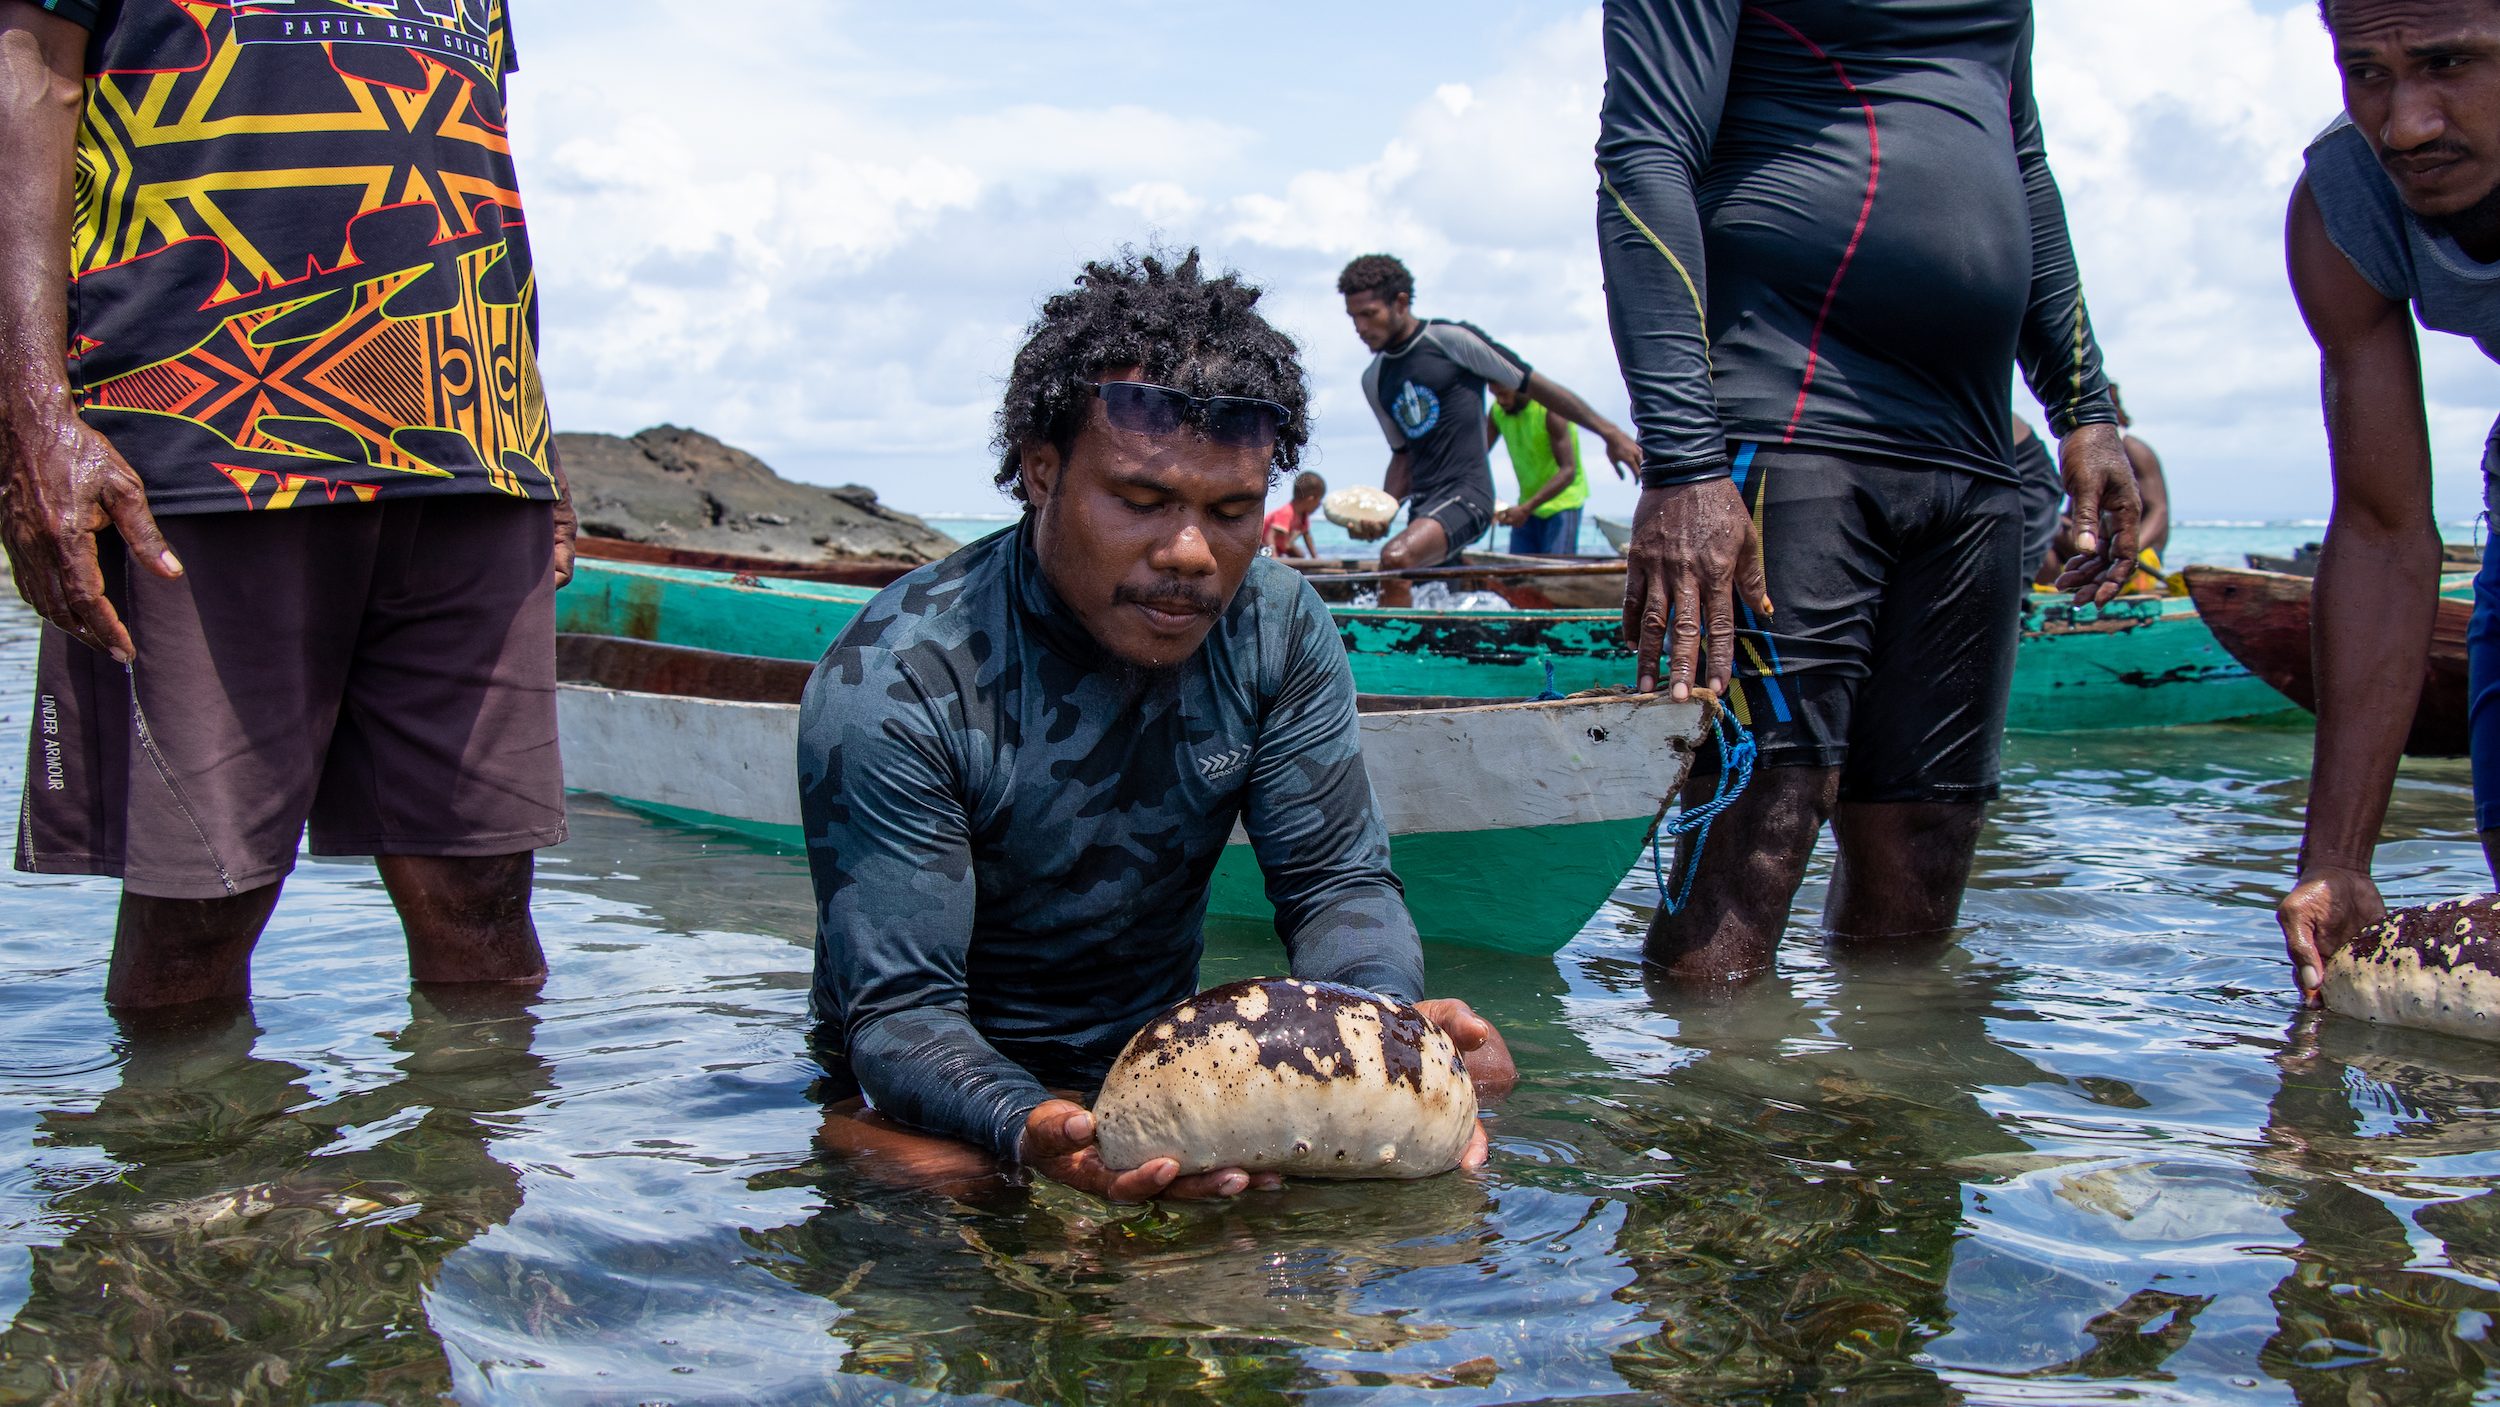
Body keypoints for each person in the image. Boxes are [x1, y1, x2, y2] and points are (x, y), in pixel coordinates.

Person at [798, 250, 1514, 1203]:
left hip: (1164, 1074)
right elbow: (898, 1013)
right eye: (1140, 502)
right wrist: (1030, 1128)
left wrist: (1382, 1031)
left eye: (1229, 511)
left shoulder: (1278, 626)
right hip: (928, 1097)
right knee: (956, 1197)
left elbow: (1336, 880)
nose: (1188, 553)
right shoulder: (904, 678)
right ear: (1041, 471)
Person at [1, 0, 572, 1010]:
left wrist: (535, 432)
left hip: (471, 449)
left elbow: (470, 159)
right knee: (200, 905)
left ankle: (468, 1164)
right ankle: (179, 1159)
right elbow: (29, 82)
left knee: (482, 888)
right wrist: (35, 422)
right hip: (201, 434)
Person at [1594, 1, 2144, 983]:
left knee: (1929, 825)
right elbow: (1645, 156)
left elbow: (2023, 167)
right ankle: (1708, 1126)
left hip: (1971, 445)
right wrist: (1686, 462)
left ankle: (1890, 1115)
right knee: (1760, 819)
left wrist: (2083, 410)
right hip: (1788, 413)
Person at [2277, 0, 2500, 1004]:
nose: (2405, 124)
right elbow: (2380, 530)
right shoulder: (2344, 198)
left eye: (2450, 63)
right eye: (2366, 72)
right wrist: (2336, 860)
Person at [1336, 253, 1642, 605]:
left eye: (1368, 314)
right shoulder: (1374, 380)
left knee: (1395, 560)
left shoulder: (1450, 341)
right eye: (1352, 317)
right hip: (1424, 507)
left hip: (1469, 496)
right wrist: (1383, 511)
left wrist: (1609, 432)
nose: (1359, 327)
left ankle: (1387, 657)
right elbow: (1402, 457)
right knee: (1433, 597)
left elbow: (1534, 385)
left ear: (1400, 303)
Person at [2027, 389, 2175, 592]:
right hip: (2097, 547)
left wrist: (2129, 549)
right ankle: (2044, 597)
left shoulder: (2134, 449)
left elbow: (2159, 511)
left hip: (2139, 556)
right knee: (2041, 536)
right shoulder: (2083, 454)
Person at [1489, 380, 1597, 556]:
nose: (1500, 401)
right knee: (1515, 577)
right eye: (1495, 395)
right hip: (1526, 507)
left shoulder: (1549, 410)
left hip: (1562, 504)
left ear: (1521, 388)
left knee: (1554, 576)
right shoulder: (1497, 412)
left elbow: (1568, 471)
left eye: (1504, 394)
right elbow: (1476, 456)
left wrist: (1525, 509)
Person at [1264, 470, 1324, 558]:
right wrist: (1274, 556)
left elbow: (1307, 536)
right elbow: (1269, 535)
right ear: (1310, 499)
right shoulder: (1287, 512)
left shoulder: (1303, 515)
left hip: (1283, 545)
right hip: (1263, 545)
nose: (1319, 505)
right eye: (1319, 500)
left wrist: (1315, 557)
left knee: (1300, 556)